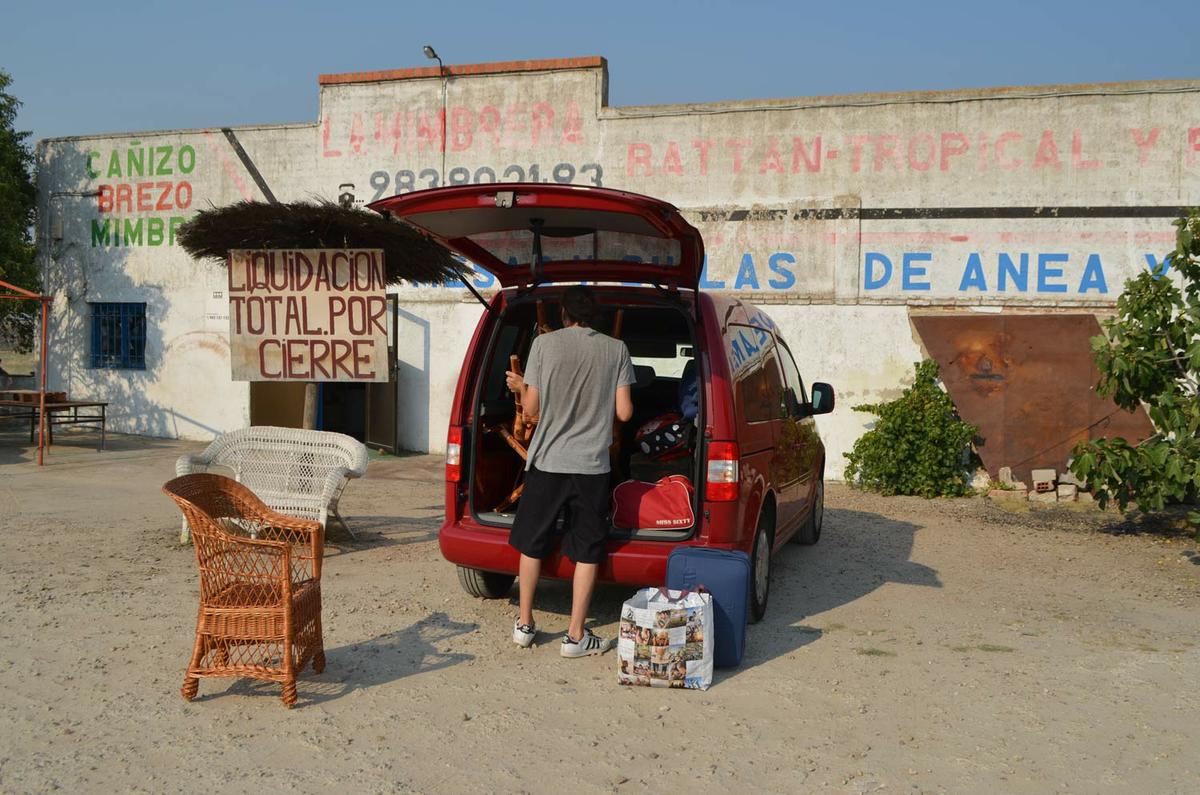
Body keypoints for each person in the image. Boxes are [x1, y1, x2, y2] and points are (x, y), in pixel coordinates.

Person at [504, 285, 635, 657]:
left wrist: (522, 385)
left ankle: (525, 624)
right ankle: (576, 636)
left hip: (547, 461)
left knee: (532, 542)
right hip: (591, 466)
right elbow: (624, 413)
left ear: (564, 314)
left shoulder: (544, 346)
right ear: (597, 316)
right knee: (587, 549)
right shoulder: (617, 350)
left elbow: (530, 410)